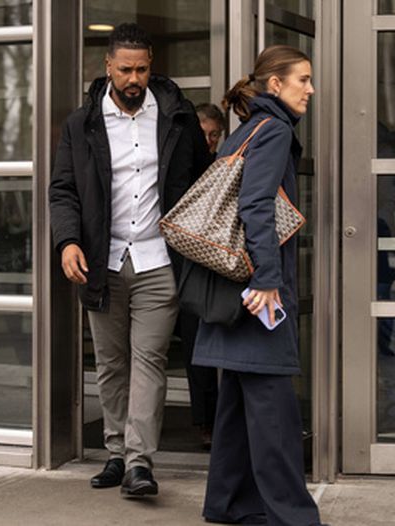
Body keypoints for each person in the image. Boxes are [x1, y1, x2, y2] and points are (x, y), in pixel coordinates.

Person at [49, 23, 210, 498]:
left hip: (160, 260)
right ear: (108, 67)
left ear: (151, 65)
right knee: (111, 363)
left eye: (141, 69)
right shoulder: (82, 125)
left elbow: (202, 181)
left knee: (150, 359)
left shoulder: (178, 118)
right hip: (103, 260)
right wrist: (68, 242)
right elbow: (63, 191)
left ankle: (140, 461)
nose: (134, 78)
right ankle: (117, 452)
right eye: (125, 70)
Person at [192, 45, 327, 526]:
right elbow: (255, 206)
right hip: (257, 291)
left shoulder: (246, 131)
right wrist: (268, 279)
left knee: (236, 404)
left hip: (234, 290)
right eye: (303, 80)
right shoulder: (272, 133)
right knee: (274, 414)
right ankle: (292, 516)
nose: (311, 89)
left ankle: (227, 503)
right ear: (276, 85)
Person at [177, 101, 227, 450]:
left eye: (214, 135)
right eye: (202, 134)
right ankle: (205, 421)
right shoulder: (177, 168)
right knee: (195, 347)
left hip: (212, 268)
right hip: (177, 267)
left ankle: (217, 421)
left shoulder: (221, 168)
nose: (208, 141)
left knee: (208, 345)